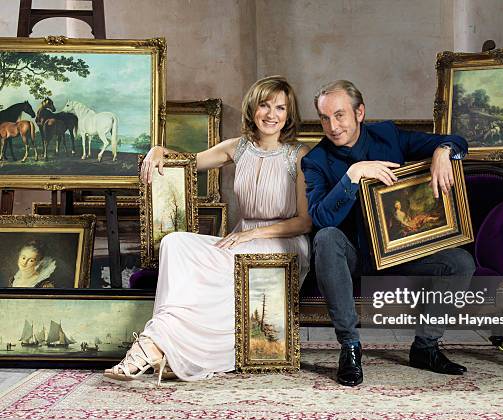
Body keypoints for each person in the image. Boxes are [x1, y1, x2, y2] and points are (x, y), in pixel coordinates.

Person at [104, 76, 311, 384]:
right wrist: (159, 149)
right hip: (241, 239)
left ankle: (151, 346)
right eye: (265, 105)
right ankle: (166, 345)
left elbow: (305, 222)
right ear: (252, 108)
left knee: (224, 257)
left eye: (280, 107)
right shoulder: (237, 149)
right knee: (175, 243)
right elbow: (188, 162)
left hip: (284, 242)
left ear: (289, 114)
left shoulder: (299, 156)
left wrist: (251, 234)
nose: (271, 114)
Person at [302, 80, 475, 386]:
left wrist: (442, 151)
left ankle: (425, 348)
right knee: (326, 237)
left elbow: (457, 140)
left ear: (360, 112)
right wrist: (353, 176)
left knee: (460, 262)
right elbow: (320, 216)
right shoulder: (315, 160)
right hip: (354, 258)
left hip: (400, 254)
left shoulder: (389, 135)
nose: (333, 126)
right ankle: (350, 348)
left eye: (339, 115)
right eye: (325, 118)